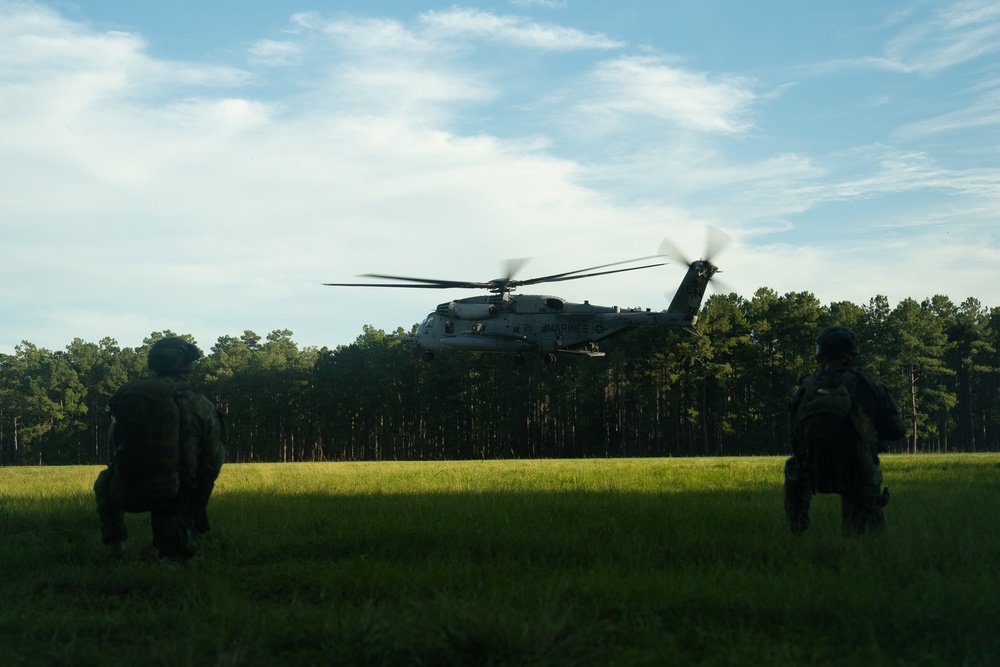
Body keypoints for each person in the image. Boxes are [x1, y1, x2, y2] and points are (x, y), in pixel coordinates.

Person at [94, 337, 226, 561]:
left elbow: (114, 443)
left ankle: (117, 548)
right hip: (172, 494)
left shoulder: (132, 395)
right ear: (187, 365)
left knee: (104, 480)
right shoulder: (199, 403)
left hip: (123, 489)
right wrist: (197, 501)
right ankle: (170, 553)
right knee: (178, 558)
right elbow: (213, 458)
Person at [784, 325, 906, 535]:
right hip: (857, 469)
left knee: (793, 466)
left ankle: (797, 531)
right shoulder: (868, 384)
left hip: (814, 470)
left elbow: (794, 436)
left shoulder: (806, 388)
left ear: (821, 356)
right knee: (864, 540)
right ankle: (860, 535)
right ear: (852, 354)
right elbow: (896, 431)